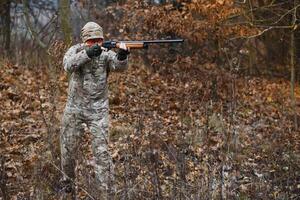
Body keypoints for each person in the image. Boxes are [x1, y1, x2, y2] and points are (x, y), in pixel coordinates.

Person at [60, 21, 129, 199]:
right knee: (67, 151)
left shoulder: (107, 54)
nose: (95, 43)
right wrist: (88, 54)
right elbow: (68, 65)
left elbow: (119, 66)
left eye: (98, 40)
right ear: (84, 41)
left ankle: (104, 193)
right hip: (74, 109)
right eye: (91, 41)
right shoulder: (76, 50)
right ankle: (67, 187)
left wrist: (122, 55)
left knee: (102, 154)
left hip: (98, 111)